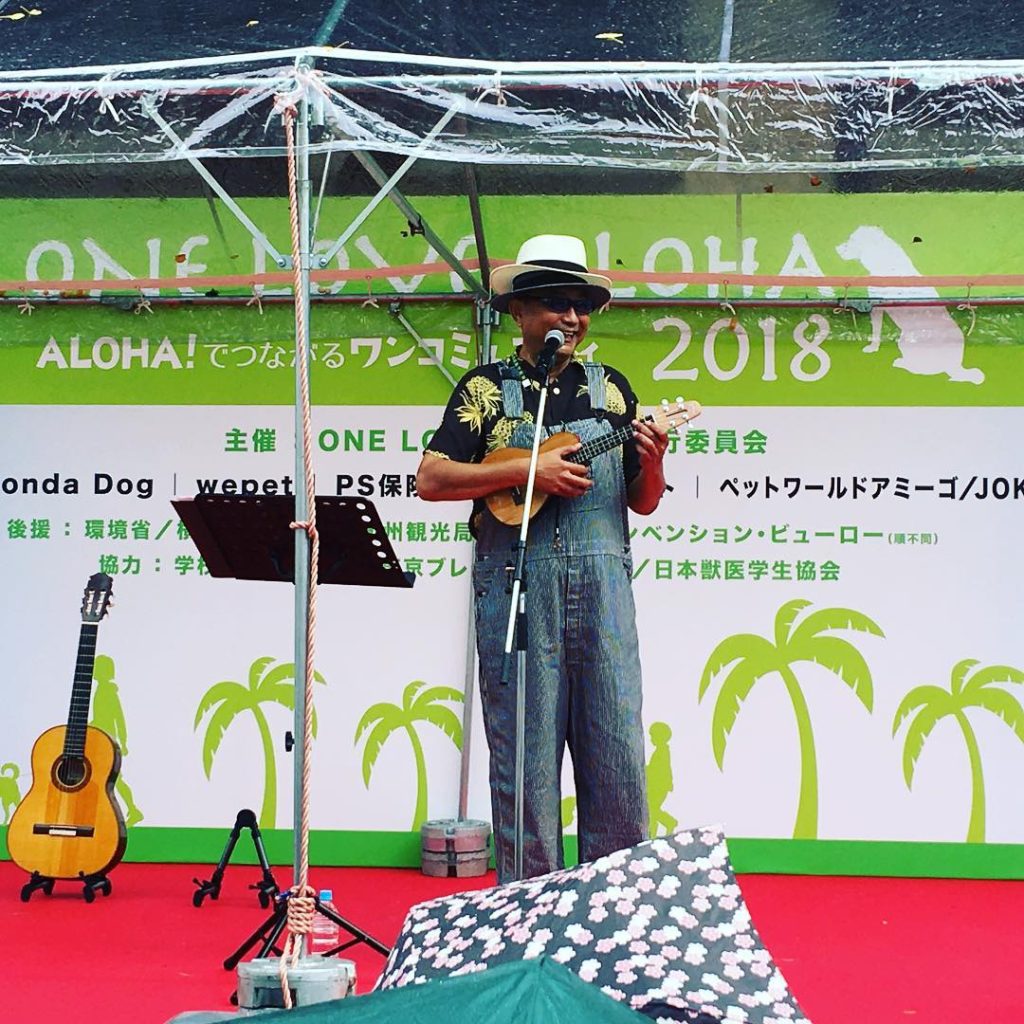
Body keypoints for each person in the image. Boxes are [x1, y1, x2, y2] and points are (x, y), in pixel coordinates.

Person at [416, 234, 670, 883]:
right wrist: (530, 470)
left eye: (582, 307)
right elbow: (432, 478)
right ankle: (530, 905)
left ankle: (614, 903)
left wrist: (655, 460)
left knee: (616, 748)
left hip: (603, 590)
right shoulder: (483, 388)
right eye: (557, 304)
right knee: (524, 759)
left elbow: (642, 502)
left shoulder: (611, 391)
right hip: (516, 588)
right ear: (520, 311)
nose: (573, 318)